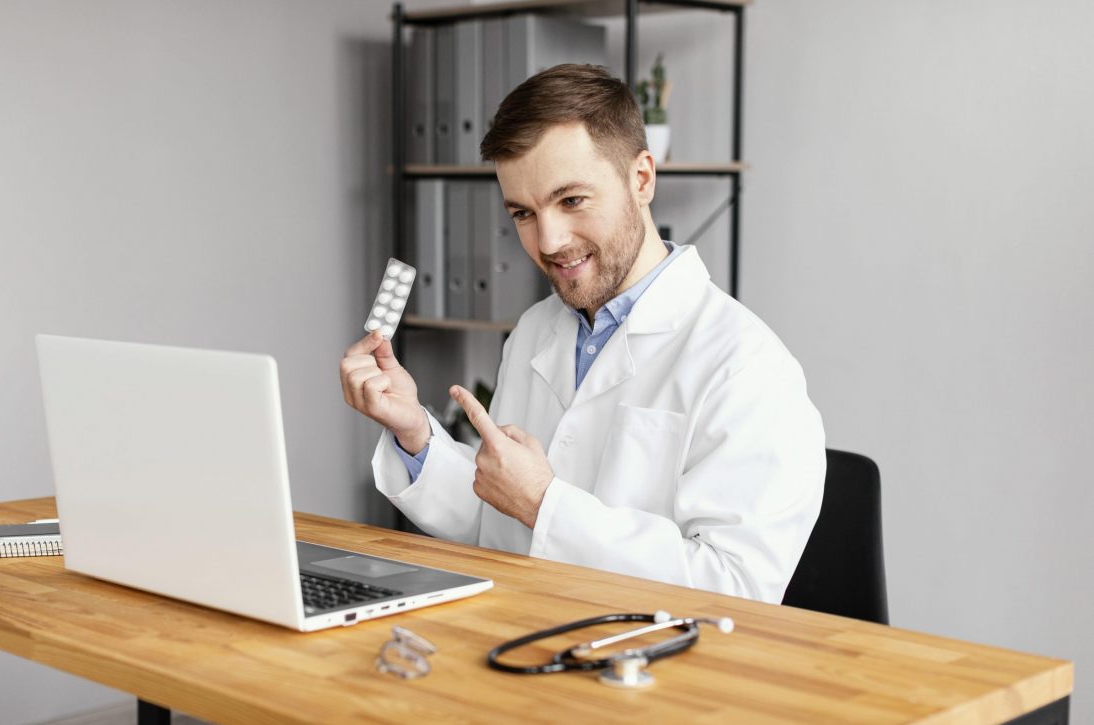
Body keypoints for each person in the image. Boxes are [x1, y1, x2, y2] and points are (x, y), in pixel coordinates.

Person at [340, 64, 825, 603]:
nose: (548, 241)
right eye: (523, 212)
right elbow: (496, 523)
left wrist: (544, 504)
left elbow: (737, 589)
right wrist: (415, 435)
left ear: (641, 179)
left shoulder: (747, 365)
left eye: (571, 201)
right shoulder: (535, 330)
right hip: (522, 639)